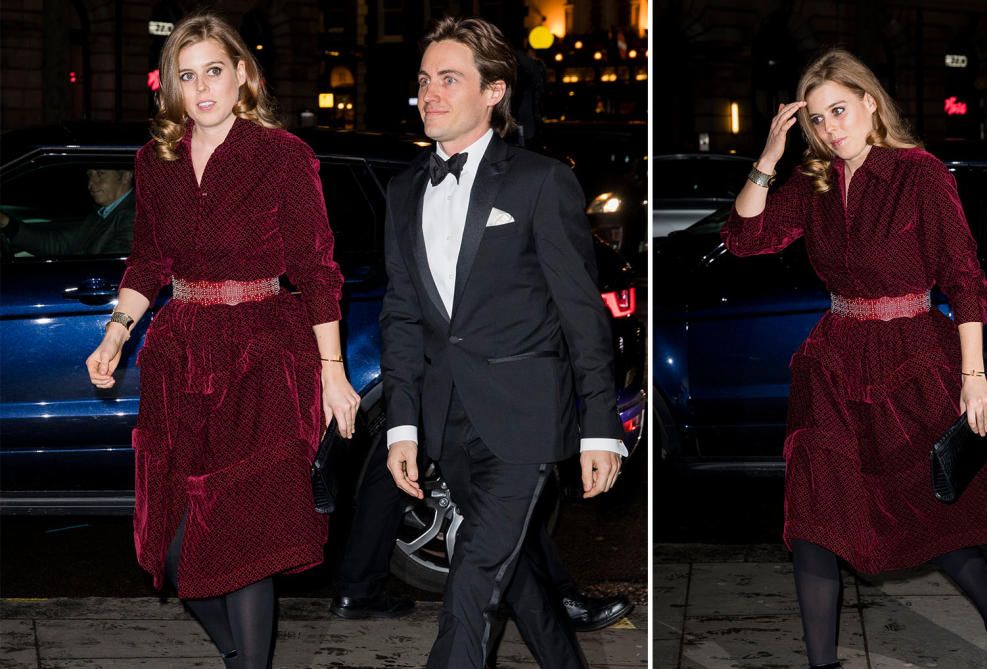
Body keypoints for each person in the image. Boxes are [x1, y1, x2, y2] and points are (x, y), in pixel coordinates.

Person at [721, 50, 987, 669]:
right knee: (813, 520)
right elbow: (745, 239)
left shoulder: (919, 174)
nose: (830, 129)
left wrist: (974, 376)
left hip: (913, 362)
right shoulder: (814, 181)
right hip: (834, 364)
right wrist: (769, 160)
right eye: (818, 120)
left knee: (937, 522)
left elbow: (964, 278)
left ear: (870, 102)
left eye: (840, 111)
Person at [84, 13, 357, 669]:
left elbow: (317, 270)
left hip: (263, 353)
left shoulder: (283, 157)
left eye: (214, 70)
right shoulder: (156, 161)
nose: (201, 87)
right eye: (187, 75)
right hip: (179, 356)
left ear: (242, 75)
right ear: (171, 87)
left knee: (244, 540)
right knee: (177, 552)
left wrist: (333, 371)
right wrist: (116, 333)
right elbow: (148, 261)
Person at [380, 16, 626, 669]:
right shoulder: (404, 190)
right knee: (512, 574)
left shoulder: (540, 181)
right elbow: (403, 315)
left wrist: (600, 427)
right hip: (447, 423)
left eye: (449, 79)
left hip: (526, 417)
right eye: (426, 80)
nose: (430, 93)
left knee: (471, 588)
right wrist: (402, 423)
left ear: (494, 90)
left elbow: (583, 315)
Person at [331, 448, 633, 631]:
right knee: (506, 488)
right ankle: (557, 598)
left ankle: (357, 588)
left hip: (423, 369)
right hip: (454, 369)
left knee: (391, 469)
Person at [1, 168, 136, 256]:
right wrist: (6, 223)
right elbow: (60, 244)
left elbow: (111, 270)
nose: (91, 183)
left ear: (126, 176)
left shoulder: (135, 216)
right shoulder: (102, 215)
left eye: (100, 174)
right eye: (89, 175)